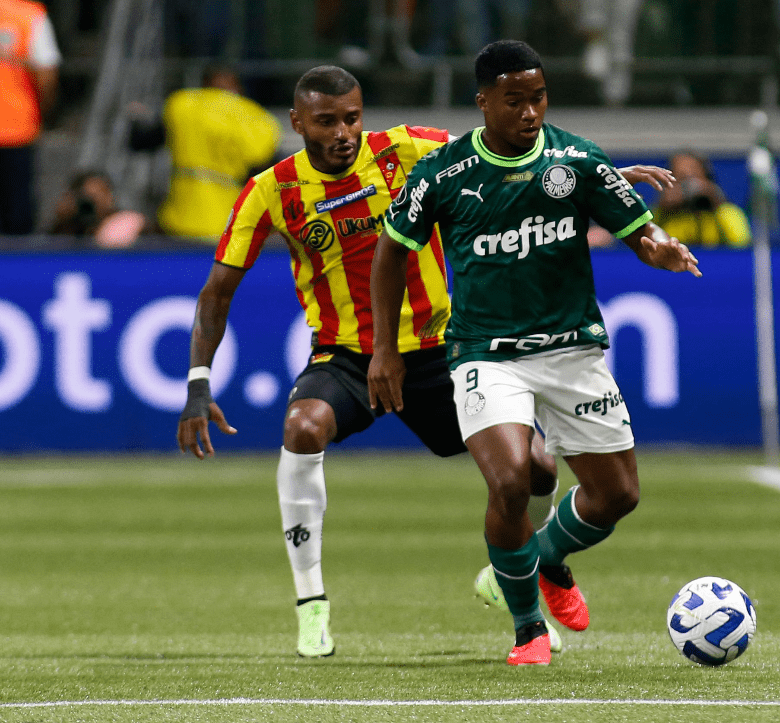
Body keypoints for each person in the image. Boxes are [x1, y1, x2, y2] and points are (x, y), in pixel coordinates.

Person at [176, 65, 671, 659]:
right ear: (297, 122)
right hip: (347, 359)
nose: (343, 132)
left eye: (352, 118)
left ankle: (537, 562)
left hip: (438, 351)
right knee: (302, 427)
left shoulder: (406, 150)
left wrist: (602, 177)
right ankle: (312, 607)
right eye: (327, 121)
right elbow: (216, 292)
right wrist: (198, 383)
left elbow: (511, 157)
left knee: (538, 471)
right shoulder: (270, 190)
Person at [368, 40, 700, 667]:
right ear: (484, 101)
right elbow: (392, 251)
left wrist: (662, 247)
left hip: (573, 350)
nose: (529, 112)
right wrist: (385, 348)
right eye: (514, 100)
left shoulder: (576, 160)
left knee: (618, 497)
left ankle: (539, 560)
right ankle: (527, 630)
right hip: (485, 354)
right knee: (512, 479)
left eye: (538, 97)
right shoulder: (443, 173)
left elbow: (638, 230)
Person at [131, 65, 281, 242]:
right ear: (238, 88)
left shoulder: (181, 105)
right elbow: (265, 166)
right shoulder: (257, 117)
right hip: (230, 220)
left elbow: (143, 142)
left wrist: (136, 121)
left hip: (180, 216)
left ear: (203, 85)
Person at [0, 0, 59, 235]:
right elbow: (46, 75)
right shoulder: (29, 15)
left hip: (18, 130)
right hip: (18, 129)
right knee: (17, 218)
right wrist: (43, 112)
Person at [651, 151, 751, 249]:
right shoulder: (662, 216)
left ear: (706, 177)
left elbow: (741, 243)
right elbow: (644, 245)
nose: (688, 185)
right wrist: (662, 209)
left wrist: (715, 200)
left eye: (693, 176)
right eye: (680, 178)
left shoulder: (725, 212)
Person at [48, 170, 148, 247]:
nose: (96, 201)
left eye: (100, 194)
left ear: (110, 196)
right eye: (89, 197)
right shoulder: (70, 225)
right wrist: (63, 219)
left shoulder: (127, 221)